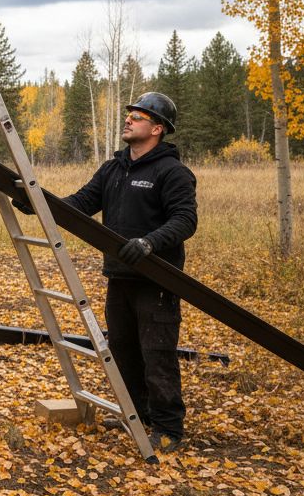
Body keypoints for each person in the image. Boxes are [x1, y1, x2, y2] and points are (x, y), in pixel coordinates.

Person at [18, 91, 196, 451]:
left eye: (139, 116)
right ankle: (136, 413)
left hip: (156, 280)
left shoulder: (172, 172)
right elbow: (81, 204)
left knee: (156, 352)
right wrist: (38, 205)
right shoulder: (114, 169)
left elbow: (185, 220)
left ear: (158, 129)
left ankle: (168, 428)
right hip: (119, 276)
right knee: (124, 349)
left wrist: (148, 242)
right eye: (130, 114)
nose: (129, 119)